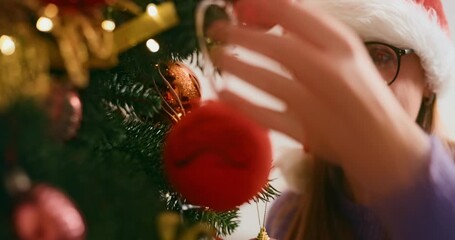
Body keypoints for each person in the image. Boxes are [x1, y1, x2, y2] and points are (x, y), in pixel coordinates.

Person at [207, 0, 455, 239]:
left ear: (429, 79)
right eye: (331, 64)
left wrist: (412, 175)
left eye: (381, 56)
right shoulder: (290, 216)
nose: (354, 86)